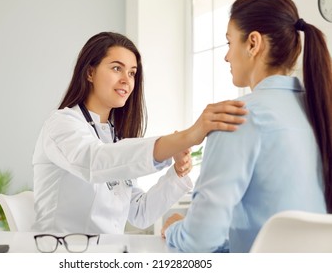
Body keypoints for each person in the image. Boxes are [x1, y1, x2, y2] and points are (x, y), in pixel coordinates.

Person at [162, 0, 332, 252]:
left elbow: (199, 242)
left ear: (253, 43)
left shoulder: (236, 118)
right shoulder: (321, 111)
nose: (227, 57)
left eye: (229, 43)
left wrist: (173, 228)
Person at [32, 31, 247, 234]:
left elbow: (139, 213)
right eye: (117, 68)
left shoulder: (114, 137)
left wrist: (177, 174)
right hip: (60, 253)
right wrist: (188, 135)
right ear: (90, 72)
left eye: (132, 73)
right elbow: (94, 162)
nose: (127, 79)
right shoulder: (61, 124)